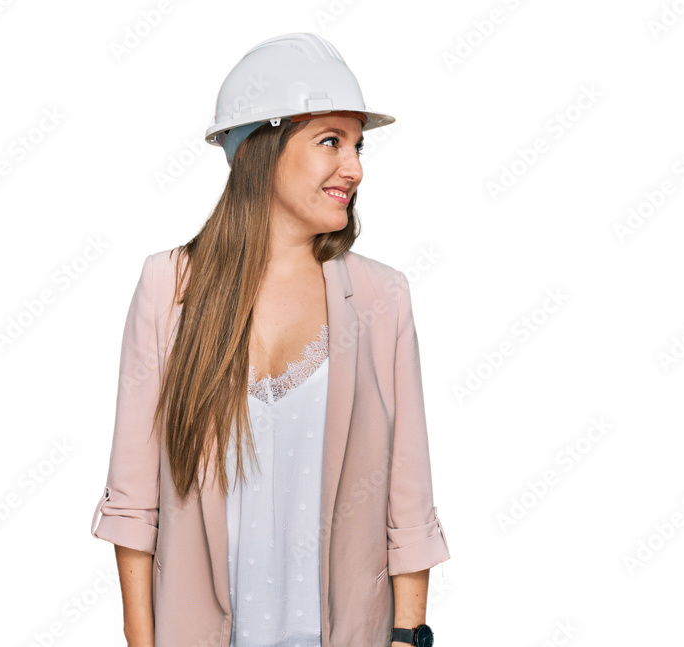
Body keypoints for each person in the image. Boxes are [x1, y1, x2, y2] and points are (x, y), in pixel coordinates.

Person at [90, 32, 450, 647]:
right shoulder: (168, 286)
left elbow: (409, 498)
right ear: (261, 148)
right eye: (330, 141)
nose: (355, 168)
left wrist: (406, 635)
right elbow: (132, 499)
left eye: (358, 145)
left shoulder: (382, 296)